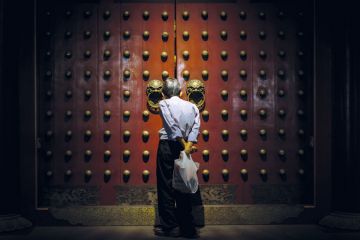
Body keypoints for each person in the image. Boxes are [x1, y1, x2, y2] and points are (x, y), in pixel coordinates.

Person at [154, 77, 201, 238]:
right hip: (186, 147)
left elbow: (171, 126)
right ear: (181, 92)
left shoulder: (163, 103)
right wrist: (188, 145)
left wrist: (183, 143)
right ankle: (187, 226)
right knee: (184, 184)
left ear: (163, 93)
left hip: (168, 145)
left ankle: (171, 227)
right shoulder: (192, 106)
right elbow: (196, 126)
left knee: (166, 185)